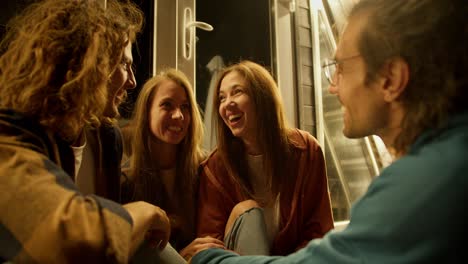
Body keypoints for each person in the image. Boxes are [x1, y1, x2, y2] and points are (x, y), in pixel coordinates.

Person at [191, 0, 468, 263]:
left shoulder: (424, 184)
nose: (333, 86)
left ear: (391, 78)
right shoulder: (446, 159)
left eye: (341, 68)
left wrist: (205, 259)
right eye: (221, 98)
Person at [0, 0, 171, 262]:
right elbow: (75, 242)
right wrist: (149, 212)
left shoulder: (104, 138)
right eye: (124, 65)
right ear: (88, 65)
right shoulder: (9, 137)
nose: (133, 81)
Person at [197, 60, 334, 256]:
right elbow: (210, 244)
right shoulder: (214, 168)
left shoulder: (306, 150)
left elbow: (318, 230)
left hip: (295, 263)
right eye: (221, 98)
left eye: (237, 92)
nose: (227, 103)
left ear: (263, 97)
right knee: (248, 210)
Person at [121, 69, 225, 262]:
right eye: (167, 105)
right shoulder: (127, 181)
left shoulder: (206, 168)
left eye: (185, 107)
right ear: (147, 113)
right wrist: (180, 256)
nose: (179, 116)